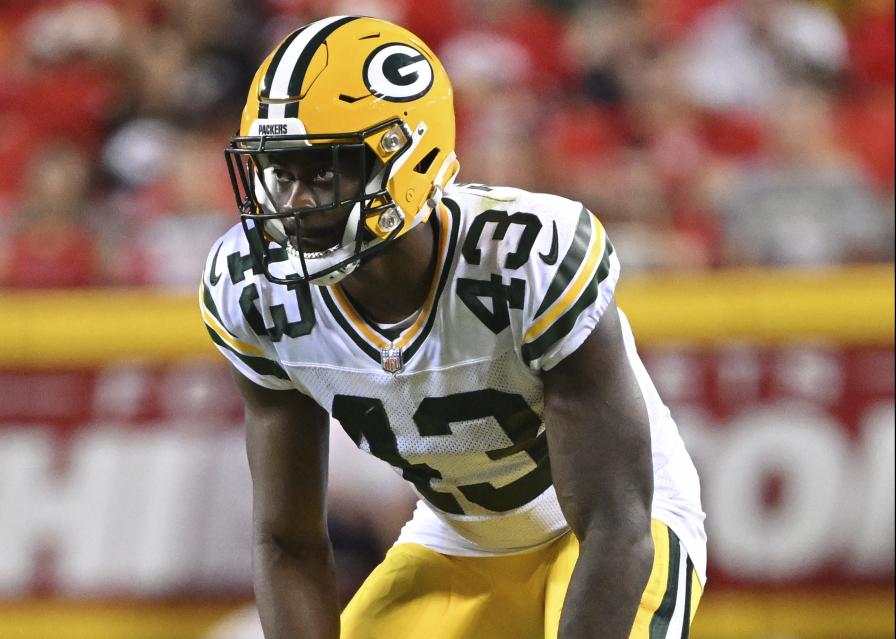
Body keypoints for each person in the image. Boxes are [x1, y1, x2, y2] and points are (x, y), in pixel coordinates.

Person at [200, 15, 706, 639]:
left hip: (614, 526)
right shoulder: (255, 292)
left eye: (325, 170)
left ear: (412, 157)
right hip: (458, 538)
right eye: (281, 171)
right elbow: (288, 540)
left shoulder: (526, 258)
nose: (296, 202)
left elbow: (614, 521)